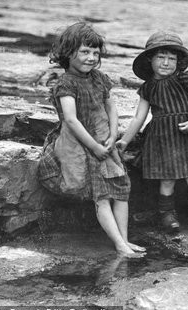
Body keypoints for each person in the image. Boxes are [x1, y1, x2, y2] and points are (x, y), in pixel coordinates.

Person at [46, 22, 145, 257]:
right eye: (85, 52)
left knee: (121, 189)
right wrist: (94, 147)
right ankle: (119, 244)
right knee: (101, 196)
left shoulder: (99, 78)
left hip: (104, 141)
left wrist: (113, 134)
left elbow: (111, 107)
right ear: (69, 53)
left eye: (95, 53)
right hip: (81, 145)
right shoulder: (66, 83)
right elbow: (70, 120)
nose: (91, 58)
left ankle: (125, 239)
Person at [116, 31, 188, 235]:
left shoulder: (184, 79)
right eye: (161, 57)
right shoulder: (148, 88)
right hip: (162, 138)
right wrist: (125, 141)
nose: (166, 63)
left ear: (178, 62)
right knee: (167, 179)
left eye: (172, 58)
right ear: (149, 60)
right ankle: (167, 214)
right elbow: (139, 117)